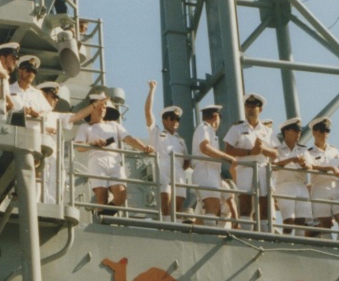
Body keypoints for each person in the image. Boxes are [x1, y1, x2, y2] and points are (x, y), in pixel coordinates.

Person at [74, 93, 154, 216]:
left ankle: (103, 216)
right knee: (102, 196)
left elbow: (129, 139)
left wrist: (144, 147)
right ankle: (103, 223)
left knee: (121, 196)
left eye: (105, 106)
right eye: (100, 106)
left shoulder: (114, 125)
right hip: (97, 160)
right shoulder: (85, 128)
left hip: (114, 161)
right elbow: (79, 147)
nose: (103, 109)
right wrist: (92, 143)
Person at [223, 93, 279, 230]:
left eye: (254, 106)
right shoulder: (237, 128)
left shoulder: (268, 130)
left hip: (263, 167)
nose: (250, 108)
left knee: (265, 202)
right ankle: (246, 234)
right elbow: (228, 150)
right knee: (245, 202)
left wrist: (262, 150)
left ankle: (266, 236)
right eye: (248, 105)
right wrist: (249, 152)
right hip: (245, 167)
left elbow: (276, 153)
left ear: (260, 109)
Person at [38, 81, 93, 203]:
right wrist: (44, 128)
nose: (56, 100)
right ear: (43, 95)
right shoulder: (31, 113)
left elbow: (76, 116)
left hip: (53, 158)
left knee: (55, 185)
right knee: (38, 187)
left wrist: (94, 106)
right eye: (54, 96)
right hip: (37, 155)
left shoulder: (55, 116)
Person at [144, 81, 191, 217]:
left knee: (178, 206)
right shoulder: (157, 133)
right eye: (172, 118)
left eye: (177, 119)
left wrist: (181, 169)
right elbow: (148, 112)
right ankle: (164, 227)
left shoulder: (181, 141)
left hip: (178, 171)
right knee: (165, 205)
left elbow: (187, 161)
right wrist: (152, 89)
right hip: (163, 167)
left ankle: (175, 230)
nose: (175, 121)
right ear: (164, 120)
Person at [191, 104, 237, 226]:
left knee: (208, 208)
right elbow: (204, 147)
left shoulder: (207, 130)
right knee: (213, 206)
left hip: (211, 172)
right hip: (206, 170)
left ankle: (198, 235)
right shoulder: (205, 128)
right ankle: (208, 238)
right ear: (216, 116)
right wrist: (227, 157)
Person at [306, 116, 339, 240]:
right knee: (324, 225)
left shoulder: (334, 151)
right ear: (314, 132)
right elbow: (311, 166)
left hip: (336, 188)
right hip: (320, 189)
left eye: (326, 131)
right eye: (320, 130)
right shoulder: (309, 152)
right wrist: (331, 168)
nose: (324, 133)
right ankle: (328, 250)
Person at [272, 117, 314, 234]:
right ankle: (285, 244)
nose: (298, 133)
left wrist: (303, 164)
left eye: (299, 131)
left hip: (301, 185)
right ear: (286, 132)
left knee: (301, 221)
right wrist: (291, 160)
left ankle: (298, 246)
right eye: (295, 130)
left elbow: (310, 166)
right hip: (284, 186)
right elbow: (273, 164)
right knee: (289, 221)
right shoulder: (277, 150)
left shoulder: (303, 150)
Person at [7, 55, 52, 128]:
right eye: (28, 70)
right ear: (20, 71)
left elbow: (47, 112)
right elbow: (2, 110)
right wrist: (19, 112)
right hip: (13, 132)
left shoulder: (38, 94)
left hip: (32, 135)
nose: (31, 74)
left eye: (34, 71)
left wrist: (36, 114)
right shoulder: (8, 89)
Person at [0, 42, 20, 110]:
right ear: (2, 58)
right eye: (13, 58)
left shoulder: (3, 75)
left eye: (16, 59)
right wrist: (11, 103)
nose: (15, 62)